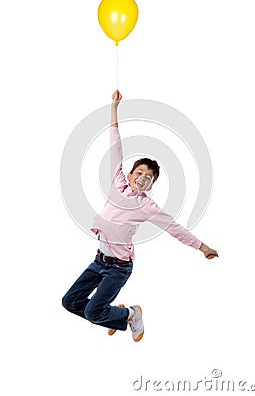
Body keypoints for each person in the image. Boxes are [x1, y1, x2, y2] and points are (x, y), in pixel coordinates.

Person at [62, 90, 218, 342]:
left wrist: (202, 247)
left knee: (92, 312)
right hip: (99, 261)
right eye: (140, 172)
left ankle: (130, 314)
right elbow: (115, 143)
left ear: (151, 183)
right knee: (69, 302)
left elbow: (176, 229)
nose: (143, 177)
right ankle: (113, 315)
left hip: (119, 268)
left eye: (149, 177)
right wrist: (114, 107)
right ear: (132, 173)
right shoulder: (117, 182)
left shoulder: (148, 207)